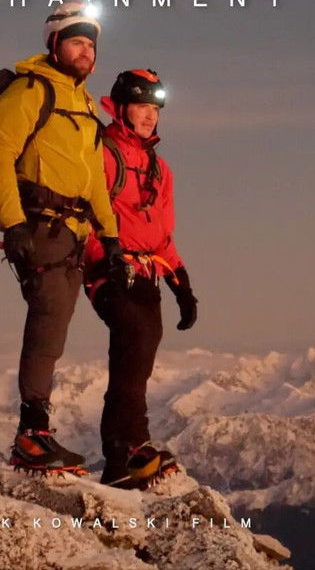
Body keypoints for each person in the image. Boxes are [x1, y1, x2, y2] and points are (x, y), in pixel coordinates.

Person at [0, 2, 127, 472]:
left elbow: (94, 178)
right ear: (55, 44)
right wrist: (12, 224)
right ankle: (31, 437)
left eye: (91, 45)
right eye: (77, 42)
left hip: (75, 231)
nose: (86, 52)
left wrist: (111, 236)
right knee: (48, 319)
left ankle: (37, 434)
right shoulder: (31, 90)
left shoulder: (83, 103)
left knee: (57, 323)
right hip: (40, 224)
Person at [84, 69, 198, 488]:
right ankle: (129, 447)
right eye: (141, 106)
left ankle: (123, 459)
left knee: (139, 354)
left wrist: (180, 281)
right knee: (135, 336)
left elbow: (161, 233)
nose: (150, 116)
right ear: (121, 108)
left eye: (155, 109)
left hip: (148, 272)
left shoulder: (159, 168)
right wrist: (103, 256)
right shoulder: (100, 152)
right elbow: (82, 212)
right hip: (109, 269)